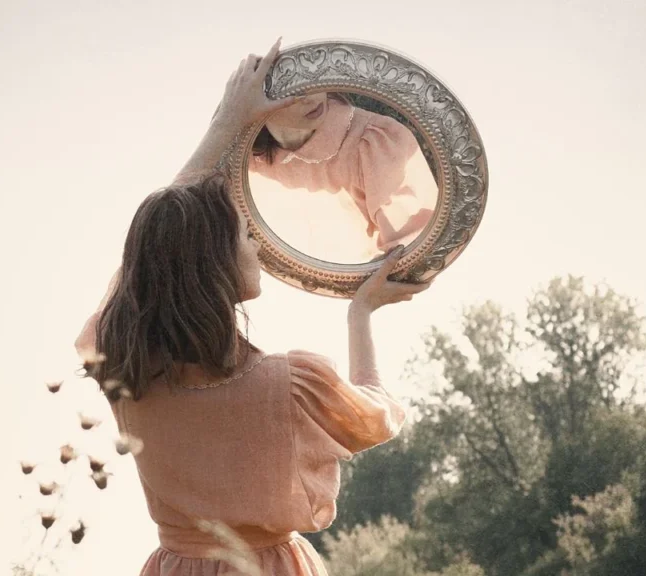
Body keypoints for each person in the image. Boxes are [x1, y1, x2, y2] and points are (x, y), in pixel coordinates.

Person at [76, 38, 432, 575]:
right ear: (215, 262)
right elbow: (377, 418)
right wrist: (361, 316)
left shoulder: (125, 365)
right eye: (245, 235)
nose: (257, 246)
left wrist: (226, 123)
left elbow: (147, 258)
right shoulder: (289, 384)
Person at [249, 90, 437, 254]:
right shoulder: (243, 162)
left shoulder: (378, 140)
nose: (310, 96)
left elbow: (412, 249)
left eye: (314, 75)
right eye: (289, 89)